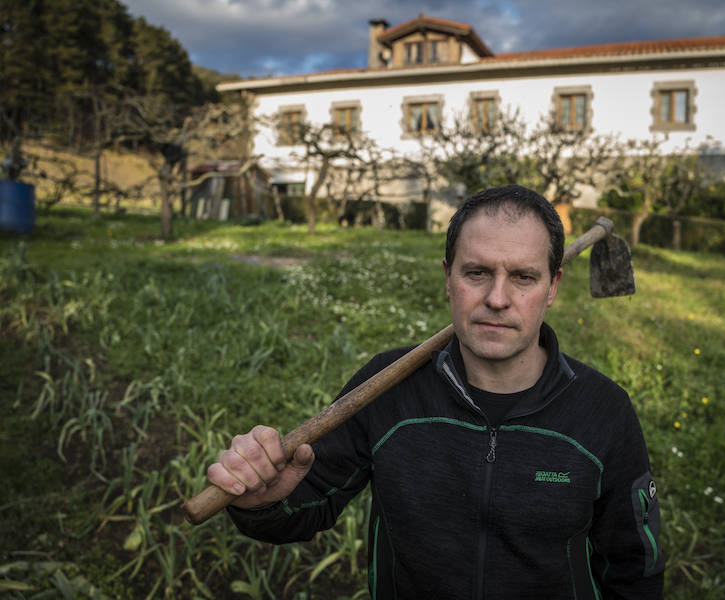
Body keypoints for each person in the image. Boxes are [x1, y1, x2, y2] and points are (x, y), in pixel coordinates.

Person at [207, 184, 664, 598]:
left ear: (552, 286)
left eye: (523, 277)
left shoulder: (603, 410)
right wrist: (264, 501)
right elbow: (303, 509)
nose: (498, 299)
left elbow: (633, 569)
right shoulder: (385, 389)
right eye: (477, 273)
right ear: (448, 278)